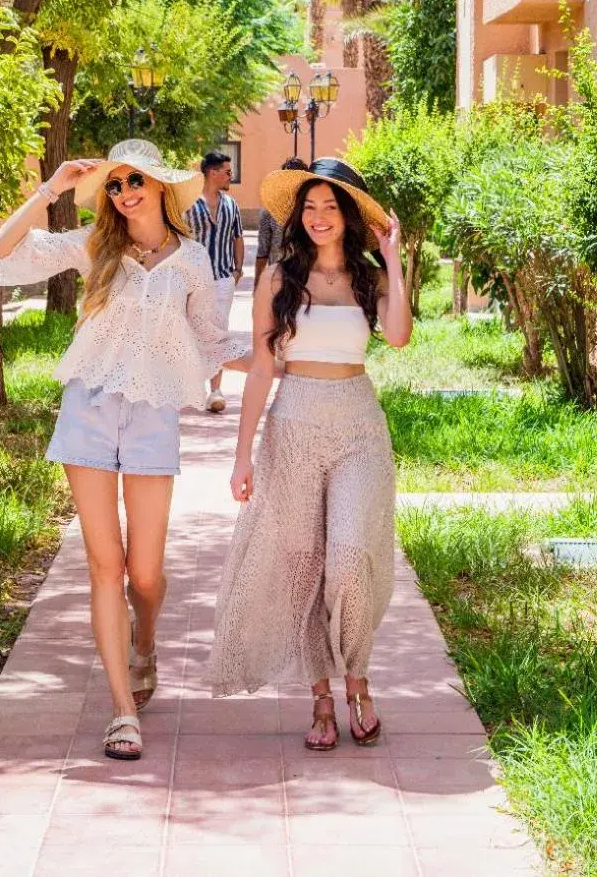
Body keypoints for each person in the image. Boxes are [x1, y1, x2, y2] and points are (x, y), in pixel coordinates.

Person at [0, 139, 246, 762]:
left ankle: (145, 638)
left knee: (144, 574)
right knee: (105, 565)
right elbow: (2, 249)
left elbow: (212, 344)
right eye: (114, 185)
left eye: (135, 181)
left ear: (160, 186)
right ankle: (123, 712)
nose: (125, 193)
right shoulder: (95, 246)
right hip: (89, 413)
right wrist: (51, 187)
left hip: (153, 417)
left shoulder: (192, 264)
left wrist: (293, 364)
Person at [208, 157, 412, 752]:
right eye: (310, 206)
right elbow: (264, 367)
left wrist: (394, 259)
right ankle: (321, 697)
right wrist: (242, 457)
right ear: (299, 216)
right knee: (303, 568)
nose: (319, 217)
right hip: (293, 425)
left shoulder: (369, 278)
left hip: (357, 426)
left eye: (330, 206)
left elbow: (397, 336)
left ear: (348, 216)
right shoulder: (278, 277)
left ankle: (359, 679)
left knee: (349, 562)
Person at [185, 150, 244, 414]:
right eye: (228, 172)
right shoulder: (188, 204)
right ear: (213, 173)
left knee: (218, 334)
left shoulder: (231, 204)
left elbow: (238, 237)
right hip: (191, 282)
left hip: (222, 279)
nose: (231, 176)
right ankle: (188, 387)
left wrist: (237, 270)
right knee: (190, 332)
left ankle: (216, 391)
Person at [254, 156, 310, 288]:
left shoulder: (312, 209)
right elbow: (262, 252)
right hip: (279, 280)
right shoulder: (269, 211)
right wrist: (258, 286)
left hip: (307, 281)